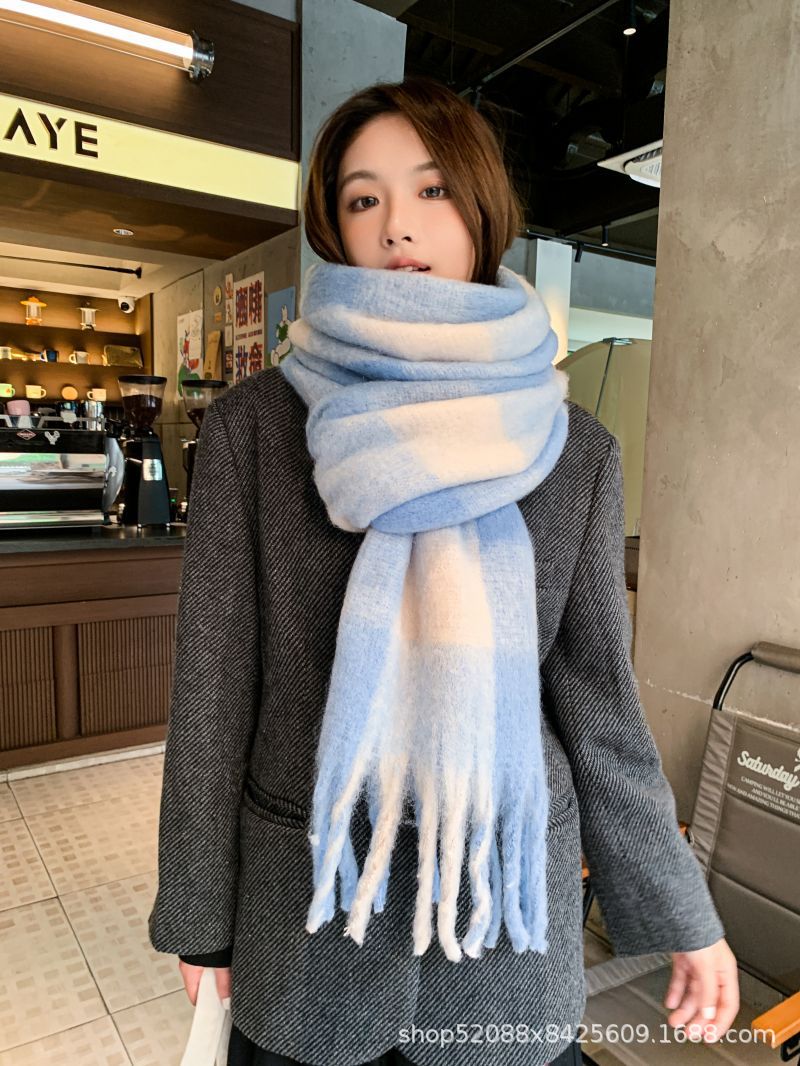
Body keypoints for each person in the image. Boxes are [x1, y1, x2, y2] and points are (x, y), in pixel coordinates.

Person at [149, 76, 740, 1066]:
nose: (397, 224)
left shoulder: (574, 450)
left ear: (480, 207)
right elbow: (212, 688)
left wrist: (685, 914)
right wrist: (200, 916)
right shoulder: (258, 427)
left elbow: (598, 705)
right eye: (362, 197)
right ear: (333, 224)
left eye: (429, 189)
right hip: (311, 916)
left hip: (502, 932)